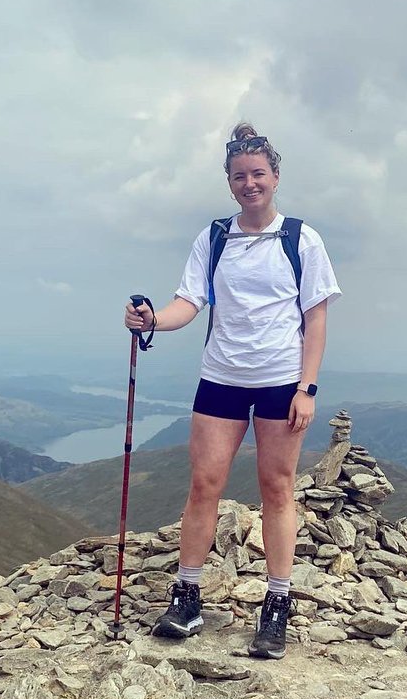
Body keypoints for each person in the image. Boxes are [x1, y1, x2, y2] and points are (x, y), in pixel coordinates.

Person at [123, 123, 340, 659]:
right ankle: (188, 595)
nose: (250, 184)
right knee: (205, 484)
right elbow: (188, 301)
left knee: (277, 488)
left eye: (258, 174)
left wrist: (306, 389)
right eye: (240, 176)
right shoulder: (215, 237)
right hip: (221, 375)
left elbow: (316, 321)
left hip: (279, 380)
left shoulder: (301, 240)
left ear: (276, 176)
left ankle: (276, 607)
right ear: (229, 181)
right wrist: (153, 321)